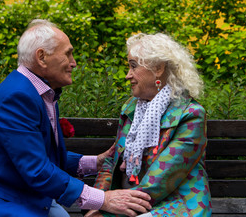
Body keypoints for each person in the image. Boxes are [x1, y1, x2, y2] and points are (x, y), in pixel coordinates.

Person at [0, 19, 152, 217]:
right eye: (68, 54)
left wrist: (96, 162)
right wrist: (104, 199)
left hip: (22, 195)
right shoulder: (16, 97)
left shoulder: (40, 91)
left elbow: (40, 155)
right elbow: (37, 169)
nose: (74, 63)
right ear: (41, 57)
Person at [85, 33, 212, 217]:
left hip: (176, 206)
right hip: (131, 203)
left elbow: (161, 179)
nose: (128, 75)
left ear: (158, 69)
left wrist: (112, 209)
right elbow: (111, 163)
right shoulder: (131, 109)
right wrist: (96, 204)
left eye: (133, 66)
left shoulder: (190, 115)